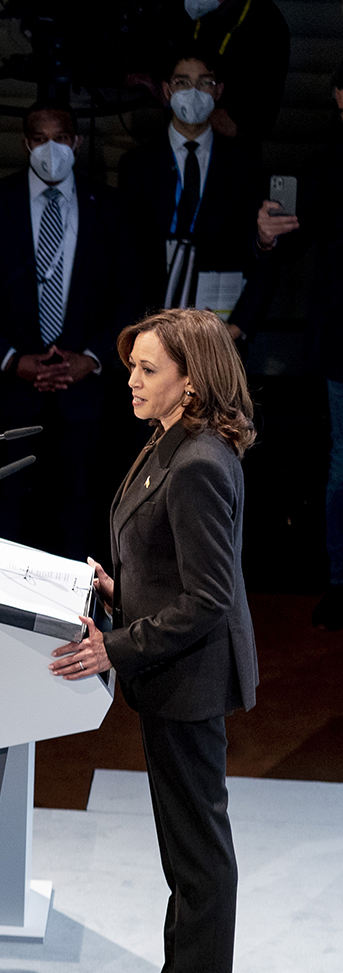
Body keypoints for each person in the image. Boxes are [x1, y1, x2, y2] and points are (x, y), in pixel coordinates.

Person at [48, 308, 256, 973]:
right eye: (132, 366)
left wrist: (114, 647)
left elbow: (207, 598)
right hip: (167, 672)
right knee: (181, 839)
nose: (130, 380)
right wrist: (118, 584)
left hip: (190, 678)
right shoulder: (166, 441)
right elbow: (166, 564)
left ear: (190, 381)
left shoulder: (200, 460)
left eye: (147, 370)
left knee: (200, 846)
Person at [0, 105, 139, 560]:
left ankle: (76, 623)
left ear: (76, 142)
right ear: (26, 145)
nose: (50, 148)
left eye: (61, 137)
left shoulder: (111, 209)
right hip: (9, 392)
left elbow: (130, 296)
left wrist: (92, 358)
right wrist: (12, 359)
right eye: (39, 138)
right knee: (4, 512)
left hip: (85, 395)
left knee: (79, 515)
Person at [244, 60, 342, 630]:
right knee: (342, 469)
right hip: (340, 341)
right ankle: (340, 582)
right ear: (337, 96)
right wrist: (264, 235)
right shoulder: (323, 166)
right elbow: (288, 249)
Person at [117, 51, 269, 339]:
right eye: (182, 82)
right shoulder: (137, 165)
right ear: (166, 90)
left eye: (205, 82)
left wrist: (237, 327)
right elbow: (127, 255)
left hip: (221, 324)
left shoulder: (243, 163)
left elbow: (263, 251)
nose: (193, 93)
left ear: (219, 90)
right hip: (155, 325)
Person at [162, 0, 289, 145]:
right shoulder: (192, 12)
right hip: (177, 147)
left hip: (231, 153)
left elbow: (241, 123)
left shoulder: (264, 22)